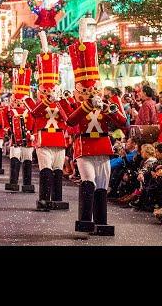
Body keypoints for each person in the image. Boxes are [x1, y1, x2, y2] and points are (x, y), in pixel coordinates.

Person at [57, 17, 126, 236]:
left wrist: (110, 109)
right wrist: (86, 105)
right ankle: (85, 220)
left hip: (103, 147)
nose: (90, 93)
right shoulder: (76, 104)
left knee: (102, 185)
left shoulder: (108, 102)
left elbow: (123, 124)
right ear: (78, 91)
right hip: (84, 148)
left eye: (92, 90)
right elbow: (70, 121)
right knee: (88, 181)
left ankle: (101, 221)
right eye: (84, 91)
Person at [25, 32, 69, 211]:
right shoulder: (34, 102)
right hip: (43, 139)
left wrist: (60, 100)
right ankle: (44, 199)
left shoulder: (62, 101)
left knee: (58, 170)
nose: (48, 92)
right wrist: (46, 100)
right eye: (45, 89)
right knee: (45, 170)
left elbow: (69, 118)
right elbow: (35, 114)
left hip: (59, 139)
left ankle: (57, 198)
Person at [5, 61, 35, 193]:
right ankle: (13, 181)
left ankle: (27, 183)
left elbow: (33, 123)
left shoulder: (30, 112)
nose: (18, 103)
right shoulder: (10, 111)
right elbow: (6, 121)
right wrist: (7, 129)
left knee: (27, 159)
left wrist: (32, 133)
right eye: (16, 101)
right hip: (14, 139)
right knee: (15, 158)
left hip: (28, 139)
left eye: (21, 101)